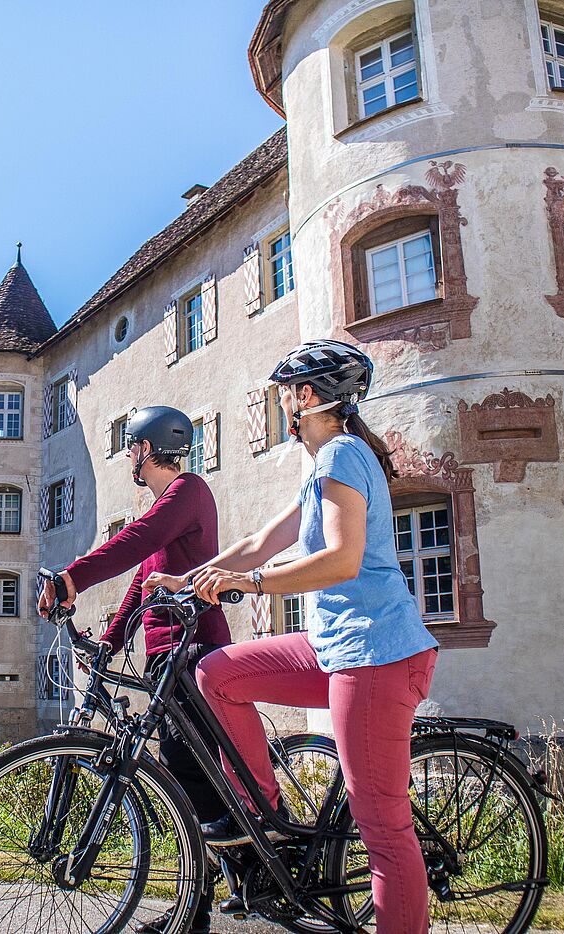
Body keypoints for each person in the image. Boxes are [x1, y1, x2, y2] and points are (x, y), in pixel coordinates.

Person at [144, 340, 440, 934]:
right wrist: (189, 577)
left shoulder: (343, 456)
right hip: (334, 645)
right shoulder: (322, 467)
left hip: (377, 652)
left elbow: (341, 559)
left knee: (381, 824)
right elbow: (260, 541)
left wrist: (249, 584)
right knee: (216, 674)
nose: (280, 405)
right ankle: (264, 811)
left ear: (304, 398)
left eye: (285, 393)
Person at [37, 404, 230, 934]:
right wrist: (108, 641)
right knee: (187, 776)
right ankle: (208, 897)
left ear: (146, 450)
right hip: (167, 661)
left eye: (132, 448)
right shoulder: (165, 510)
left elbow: (136, 543)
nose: (129, 457)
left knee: (190, 774)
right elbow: (141, 583)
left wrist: (72, 577)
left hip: (194, 654)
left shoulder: (188, 492)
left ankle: (210, 898)